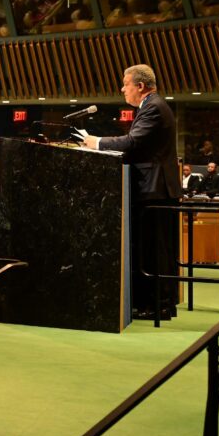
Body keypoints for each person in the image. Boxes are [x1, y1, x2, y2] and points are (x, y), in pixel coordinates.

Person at [79, 64, 179, 320]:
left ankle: (159, 305)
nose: (122, 89)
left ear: (140, 86)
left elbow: (133, 143)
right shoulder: (151, 106)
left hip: (154, 189)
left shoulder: (153, 107)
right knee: (152, 249)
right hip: (153, 187)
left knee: (154, 250)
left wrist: (96, 142)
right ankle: (154, 302)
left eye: (126, 84)